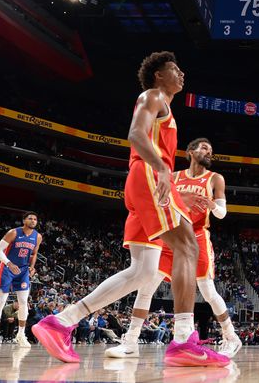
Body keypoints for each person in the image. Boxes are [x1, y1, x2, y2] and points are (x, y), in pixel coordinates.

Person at [32, 52, 227, 367]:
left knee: (144, 271)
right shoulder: (152, 96)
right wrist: (163, 172)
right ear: (158, 75)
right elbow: (136, 135)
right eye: (174, 69)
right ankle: (182, 341)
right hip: (148, 176)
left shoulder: (164, 106)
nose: (181, 74)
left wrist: (174, 189)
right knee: (188, 245)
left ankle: (61, 322)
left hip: (143, 182)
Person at [106, 137, 242, 359]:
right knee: (146, 286)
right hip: (172, 234)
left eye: (211, 150)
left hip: (197, 236)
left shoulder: (216, 178)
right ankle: (130, 340)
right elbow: (159, 200)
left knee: (207, 290)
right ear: (190, 151)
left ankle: (231, 337)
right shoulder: (175, 176)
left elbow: (221, 213)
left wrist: (212, 205)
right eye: (205, 148)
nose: (209, 153)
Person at [0, 211, 42, 348]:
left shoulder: (38, 237)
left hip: (23, 271)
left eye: (35, 219)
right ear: (24, 220)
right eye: (30, 218)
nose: (33, 221)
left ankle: (21, 335)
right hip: (7, 269)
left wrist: (32, 266)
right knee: (0, 302)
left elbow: (34, 254)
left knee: (24, 303)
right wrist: (9, 263)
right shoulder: (14, 233)